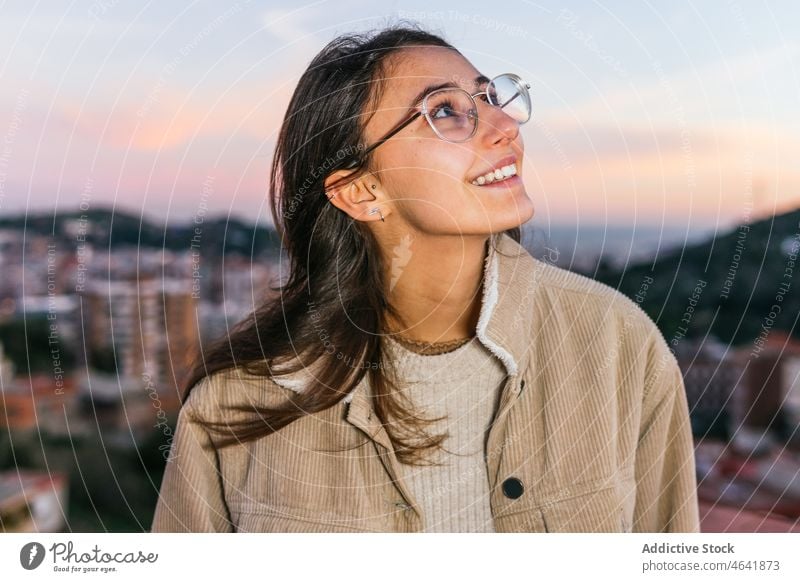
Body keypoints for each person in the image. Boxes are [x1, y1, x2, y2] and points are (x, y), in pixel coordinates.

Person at [151, 22, 700, 533]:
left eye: (489, 97)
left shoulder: (618, 345)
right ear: (362, 191)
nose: (505, 125)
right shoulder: (237, 406)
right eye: (445, 111)